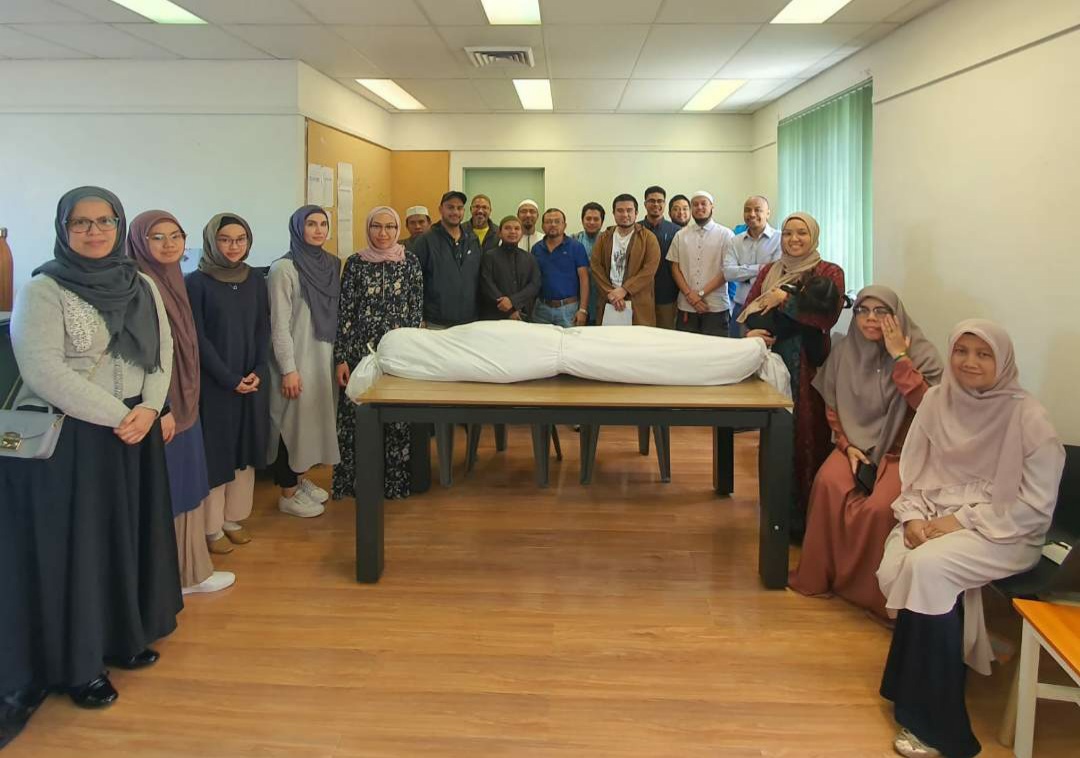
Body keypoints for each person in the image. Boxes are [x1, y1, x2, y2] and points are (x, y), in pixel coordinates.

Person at [0, 187, 179, 741]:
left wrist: (149, 408)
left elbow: (162, 350)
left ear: (119, 225)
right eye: (81, 223)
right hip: (74, 441)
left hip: (134, 430)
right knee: (79, 551)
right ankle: (79, 666)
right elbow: (41, 370)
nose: (95, 231)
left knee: (123, 536)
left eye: (105, 221)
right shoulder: (43, 288)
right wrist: (117, 415)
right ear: (64, 227)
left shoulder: (141, 282)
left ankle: (123, 635)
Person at [876, 320, 1064, 758]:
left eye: (984, 354)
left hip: (1008, 532)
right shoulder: (939, 401)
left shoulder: (1028, 416)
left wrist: (959, 522)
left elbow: (1034, 507)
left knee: (928, 567)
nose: (970, 362)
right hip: (937, 518)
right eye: (962, 351)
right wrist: (912, 520)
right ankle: (906, 689)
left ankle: (938, 728)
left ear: (1004, 361)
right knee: (903, 554)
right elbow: (916, 471)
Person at [789, 286, 942, 619]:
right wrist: (846, 446)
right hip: (854, 447)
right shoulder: (845, 352)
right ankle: (823, 578)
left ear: (897, 316)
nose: (871, 319)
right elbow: (833, 407)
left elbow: (929, 410)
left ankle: (872, 594)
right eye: (863, 311)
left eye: (881, 312)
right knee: (828, 484)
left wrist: (900, 357)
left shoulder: (923, 355)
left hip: (904, 453)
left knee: (879, 508)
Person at [128, 210, 232, 595]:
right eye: (157, 237)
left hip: (184, 400)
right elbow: (144, 354)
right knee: (173, 491)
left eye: (175, 235)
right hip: (164, 408)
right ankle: (177, 577)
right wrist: (164, 408)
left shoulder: (172, 279)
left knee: (188, 487)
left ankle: (189, 572)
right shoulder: (138, 284)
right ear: (139, 241)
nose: (169, 244)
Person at [740, 212, 844, 533]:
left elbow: (827, 314)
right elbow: (752, 309)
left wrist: (783, 298)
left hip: (807, 369)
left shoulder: (829, 271)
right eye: (787, 234)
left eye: (801, 233)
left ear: (814, 236)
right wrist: (751, 331)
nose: (794, 239)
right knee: (773, 434)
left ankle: (808, 521)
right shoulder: (770, 270)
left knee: (805, 436)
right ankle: (776, 517)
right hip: (771, 361)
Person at [186, 213, 269, 571]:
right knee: (218, 454)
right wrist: (228, 377)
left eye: (240, 239)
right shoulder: (197, 283)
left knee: (245, 450)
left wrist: (258, 370)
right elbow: (197, 339)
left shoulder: (255, 279)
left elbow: (263, 327)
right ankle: (211, 527)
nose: (234, 246)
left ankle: (234, 518)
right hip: (217, 384)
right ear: (211, 242)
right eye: (225, 239)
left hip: (250, 379)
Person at [333, 206, 423, 500]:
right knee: (356, 417)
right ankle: (354, 482)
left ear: (398, 230)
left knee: (397, 419)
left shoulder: (409, 262)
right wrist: (342, 358)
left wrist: (410, 354)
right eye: (376, 227)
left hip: (397, 354)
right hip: (360, 353)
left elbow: (415, 310)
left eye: (389, 227)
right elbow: (345, 312)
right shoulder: (355, 264)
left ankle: (394, 483)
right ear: (368, 228)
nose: (383, 233)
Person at [267, 205, 341, 517]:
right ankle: (287, 493)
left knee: (311, 424)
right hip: (296, 359)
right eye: (311, 224)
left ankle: (299, 480)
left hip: (323, 356)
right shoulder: (283, 269)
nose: (318, 230)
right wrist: (289, 369)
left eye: (323, 224)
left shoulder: (332, 264)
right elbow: (279, 325)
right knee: (290, 423)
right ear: (298, 228)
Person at [667, 190, 735, 336]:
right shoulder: (681, 235)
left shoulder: (726, 234)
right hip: (686, 305)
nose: (699, 207)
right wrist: (689, 295)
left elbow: (727, 270)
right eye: (695, 205)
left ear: (712, 207)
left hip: (715, 306)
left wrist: (700, 294)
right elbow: (675, 267)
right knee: (686, 351)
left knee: (716, 352)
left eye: (703, 204)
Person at [412, 191, 482, 329]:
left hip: (469, 322)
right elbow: (414, 282)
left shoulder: (472, 240)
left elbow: (477, 278)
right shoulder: (426, 241)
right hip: (436, 322)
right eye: (450, 207)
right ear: (440, 209)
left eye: (459, 208)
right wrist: (420, 317)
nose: (455, 212)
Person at [590, 194, 660, 326]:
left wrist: (624, 290)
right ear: (614, 213)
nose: (625, 214)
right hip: (609, 300)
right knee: (608, 342)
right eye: (620, 210)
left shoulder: (648, 238)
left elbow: (649, 270)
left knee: (637, 343)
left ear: (636, 213)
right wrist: (611, 293)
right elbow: (596, 267)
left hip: (637, 301)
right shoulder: (604, 238)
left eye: (629, 210)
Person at [723, 195, 781, 337]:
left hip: (767, 308)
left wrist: (743, 273)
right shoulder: (734, 241)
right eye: (747, 210)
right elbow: (728, 273)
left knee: (764, 354)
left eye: (757, 210)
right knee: (736, 352)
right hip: (740, 307)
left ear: (768, 213)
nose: (752, 214)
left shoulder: (779, 238)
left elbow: (775, 271)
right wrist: (761, 268)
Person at [531, 208, 590, 328]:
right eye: (548, 221)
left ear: (564, 225)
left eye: (557, 221)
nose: (553, 224)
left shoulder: (576, 247)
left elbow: (584, 280)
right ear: (542, 226)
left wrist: (583, 310)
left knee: (570, 345)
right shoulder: (536, 248)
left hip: (569, 310)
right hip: (541, 309)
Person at [480, 215, 541, 321]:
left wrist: (513, 302)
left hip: (523, 315)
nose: (512, 231)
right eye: (507, 228)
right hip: (495, 315)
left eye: (517, 228)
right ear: (499, 233)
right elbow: (487, 284)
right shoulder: (489, 256)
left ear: (521, 234)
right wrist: (509, 309)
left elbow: (535, 284)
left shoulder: (529, 258)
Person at [640, 185, 681, 330]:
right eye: (651, 201)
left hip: (668, 296)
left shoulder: (676, 231)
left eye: (660, 201)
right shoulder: (636, 229)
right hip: (640, 296)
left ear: (664, 204)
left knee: (666, 338)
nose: (656, 204)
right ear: (645, 204)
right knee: (642, 337)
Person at [573, 201, 605, 324]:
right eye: (588, 218)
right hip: (579, 302)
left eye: (596, 219)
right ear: (582, 220)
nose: (592, 222)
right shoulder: (573, 240)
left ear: (602, 221)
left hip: (602, 300)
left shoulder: (610, 241)